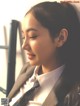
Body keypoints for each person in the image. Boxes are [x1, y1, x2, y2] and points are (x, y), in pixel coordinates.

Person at [7, 1, 80, 106]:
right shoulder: (28, 69)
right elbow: (7, 101)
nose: (24, 46)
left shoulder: (74, 94)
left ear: (60, 38)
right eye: (23, 37)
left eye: (32, 36)